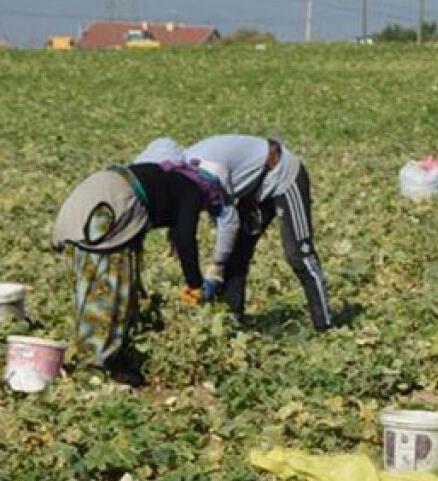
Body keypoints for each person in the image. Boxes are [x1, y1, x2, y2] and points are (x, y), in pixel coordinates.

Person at [51, 159, 231, 385]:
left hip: (85, 204)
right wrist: (195, 285)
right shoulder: (194, 190)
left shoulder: (170, 178)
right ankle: (95, 369)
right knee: (109, 294)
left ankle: (107, 360)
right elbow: (185, 239)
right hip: (107, 212)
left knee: (89, 289)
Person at [182, 135, 333, 331]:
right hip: (252, 190)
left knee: (299, 254)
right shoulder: (181, 173)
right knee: (236, 256)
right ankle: (231, 325)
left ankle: (325, 325)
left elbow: (228, 222)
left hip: (282, 175)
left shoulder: (209, 175)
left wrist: (215, 269)